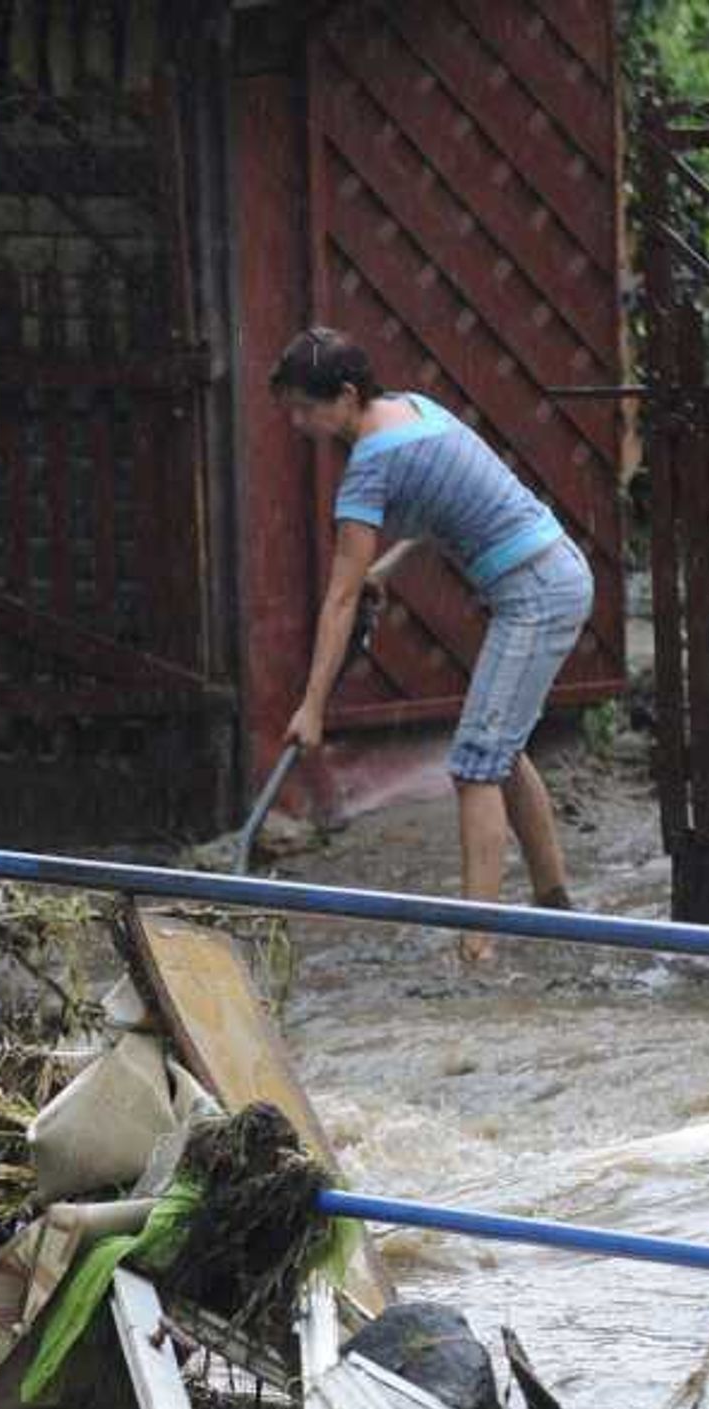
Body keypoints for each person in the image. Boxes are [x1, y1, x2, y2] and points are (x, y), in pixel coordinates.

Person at [268, 326, 592, 968]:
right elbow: (450, 506)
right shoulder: (416, 410)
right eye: (292, 410)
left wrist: (311, 707)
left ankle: (477, 951)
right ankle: (556, 908)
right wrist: (386, 569)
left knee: (475, 764)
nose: (300, 423)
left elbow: (338, 600)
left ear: (349, 395)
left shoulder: (369, 467)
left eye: (308, 409)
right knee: (500, 748)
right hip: (555, 570)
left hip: (537, 593)